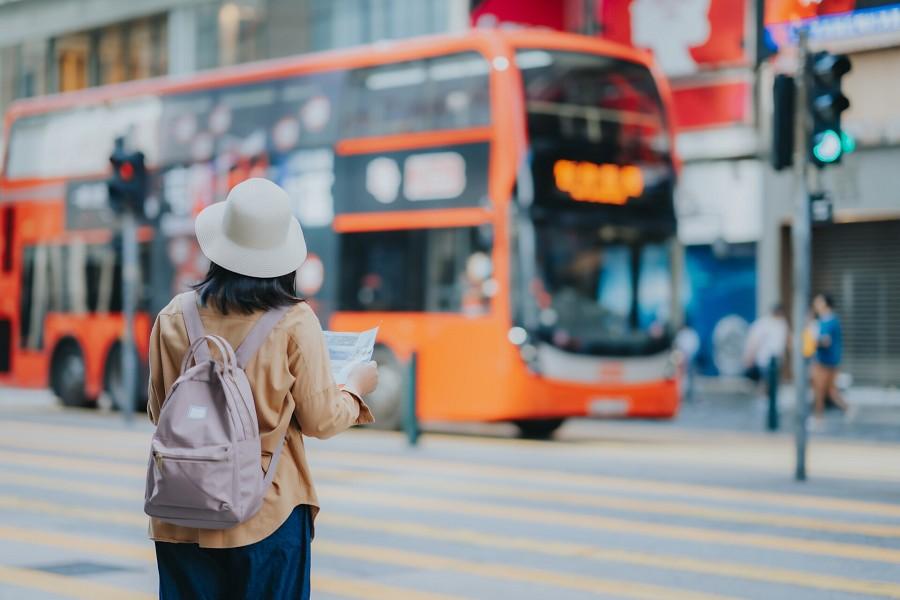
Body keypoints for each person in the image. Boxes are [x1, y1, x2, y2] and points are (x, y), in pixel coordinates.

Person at [147, 178, 377, 599]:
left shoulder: (172, 317)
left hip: (181, 511)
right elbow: (321, 420)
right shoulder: (293, 321)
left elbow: (160, 410)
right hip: (266, 512)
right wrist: (355, 389)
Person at [811, 292, 848, 427]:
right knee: (831, 391)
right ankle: (847, 409)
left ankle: (818, 418)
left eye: (818, 302)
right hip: (830, 360)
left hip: (824, 361)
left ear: (826, 304)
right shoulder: (825, 320)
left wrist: (812, 342)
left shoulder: (829, 321)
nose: (816, 304)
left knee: (819, 390)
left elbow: (825, 341)